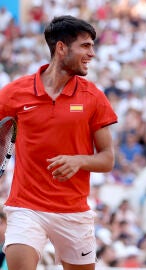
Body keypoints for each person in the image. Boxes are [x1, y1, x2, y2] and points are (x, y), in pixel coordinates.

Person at [0, 15, 118, 270]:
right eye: (85, 46)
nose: (92, 53)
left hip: (74, 211)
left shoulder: (94, 97)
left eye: (92, 46)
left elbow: (108, 159)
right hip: (25, 207)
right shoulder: (13, 93)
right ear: (61, 48)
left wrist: (80, 160)